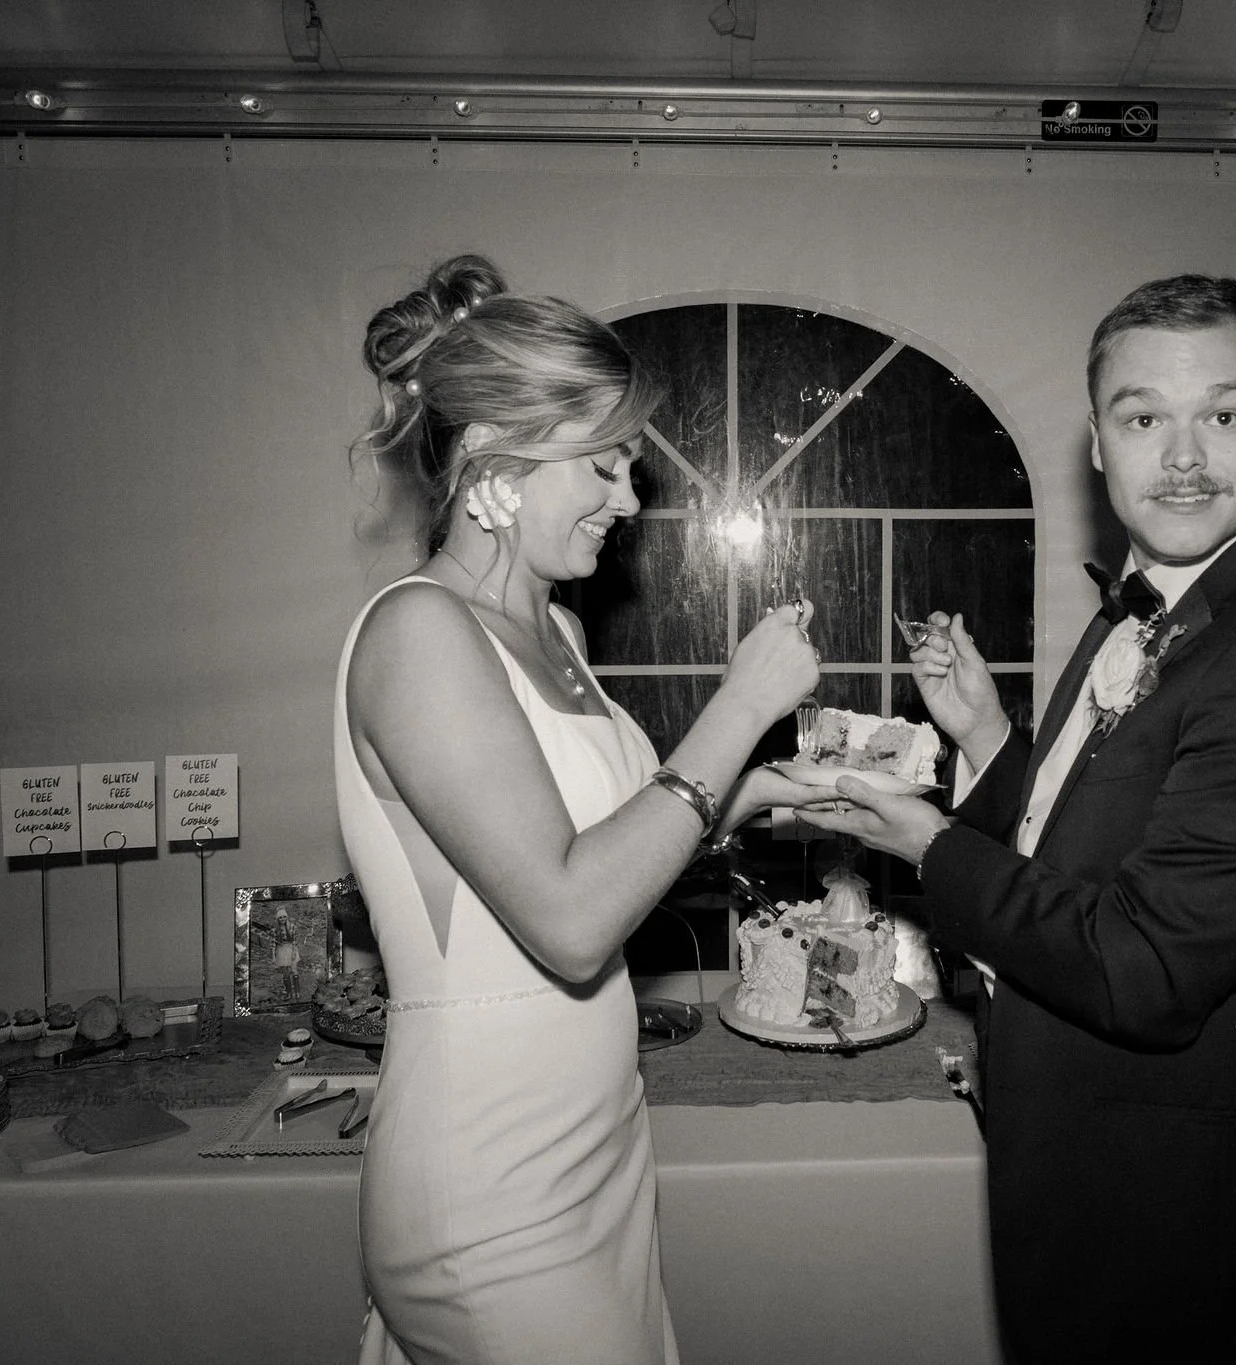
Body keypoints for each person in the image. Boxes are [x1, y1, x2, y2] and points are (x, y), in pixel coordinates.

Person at [803, 275, 1236, 1362]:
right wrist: (992, 743)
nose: (1181, 458)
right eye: (1143, 419)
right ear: (1096, 440)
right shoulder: (1157, 602)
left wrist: (927, 844)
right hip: (1084, 1189)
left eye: (1221, 416)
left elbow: (1141, 969)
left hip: (1187, 1238)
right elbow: (1088, 854)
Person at [334, 253, 822, 1365]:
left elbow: (597, 841)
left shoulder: (549, 630)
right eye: (601, 465)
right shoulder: (417, 634)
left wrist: (759, 794)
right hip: (489, 1178)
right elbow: (565, 917)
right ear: (493, 467)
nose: (629, 497)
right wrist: (736, 711)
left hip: (592, 1145)